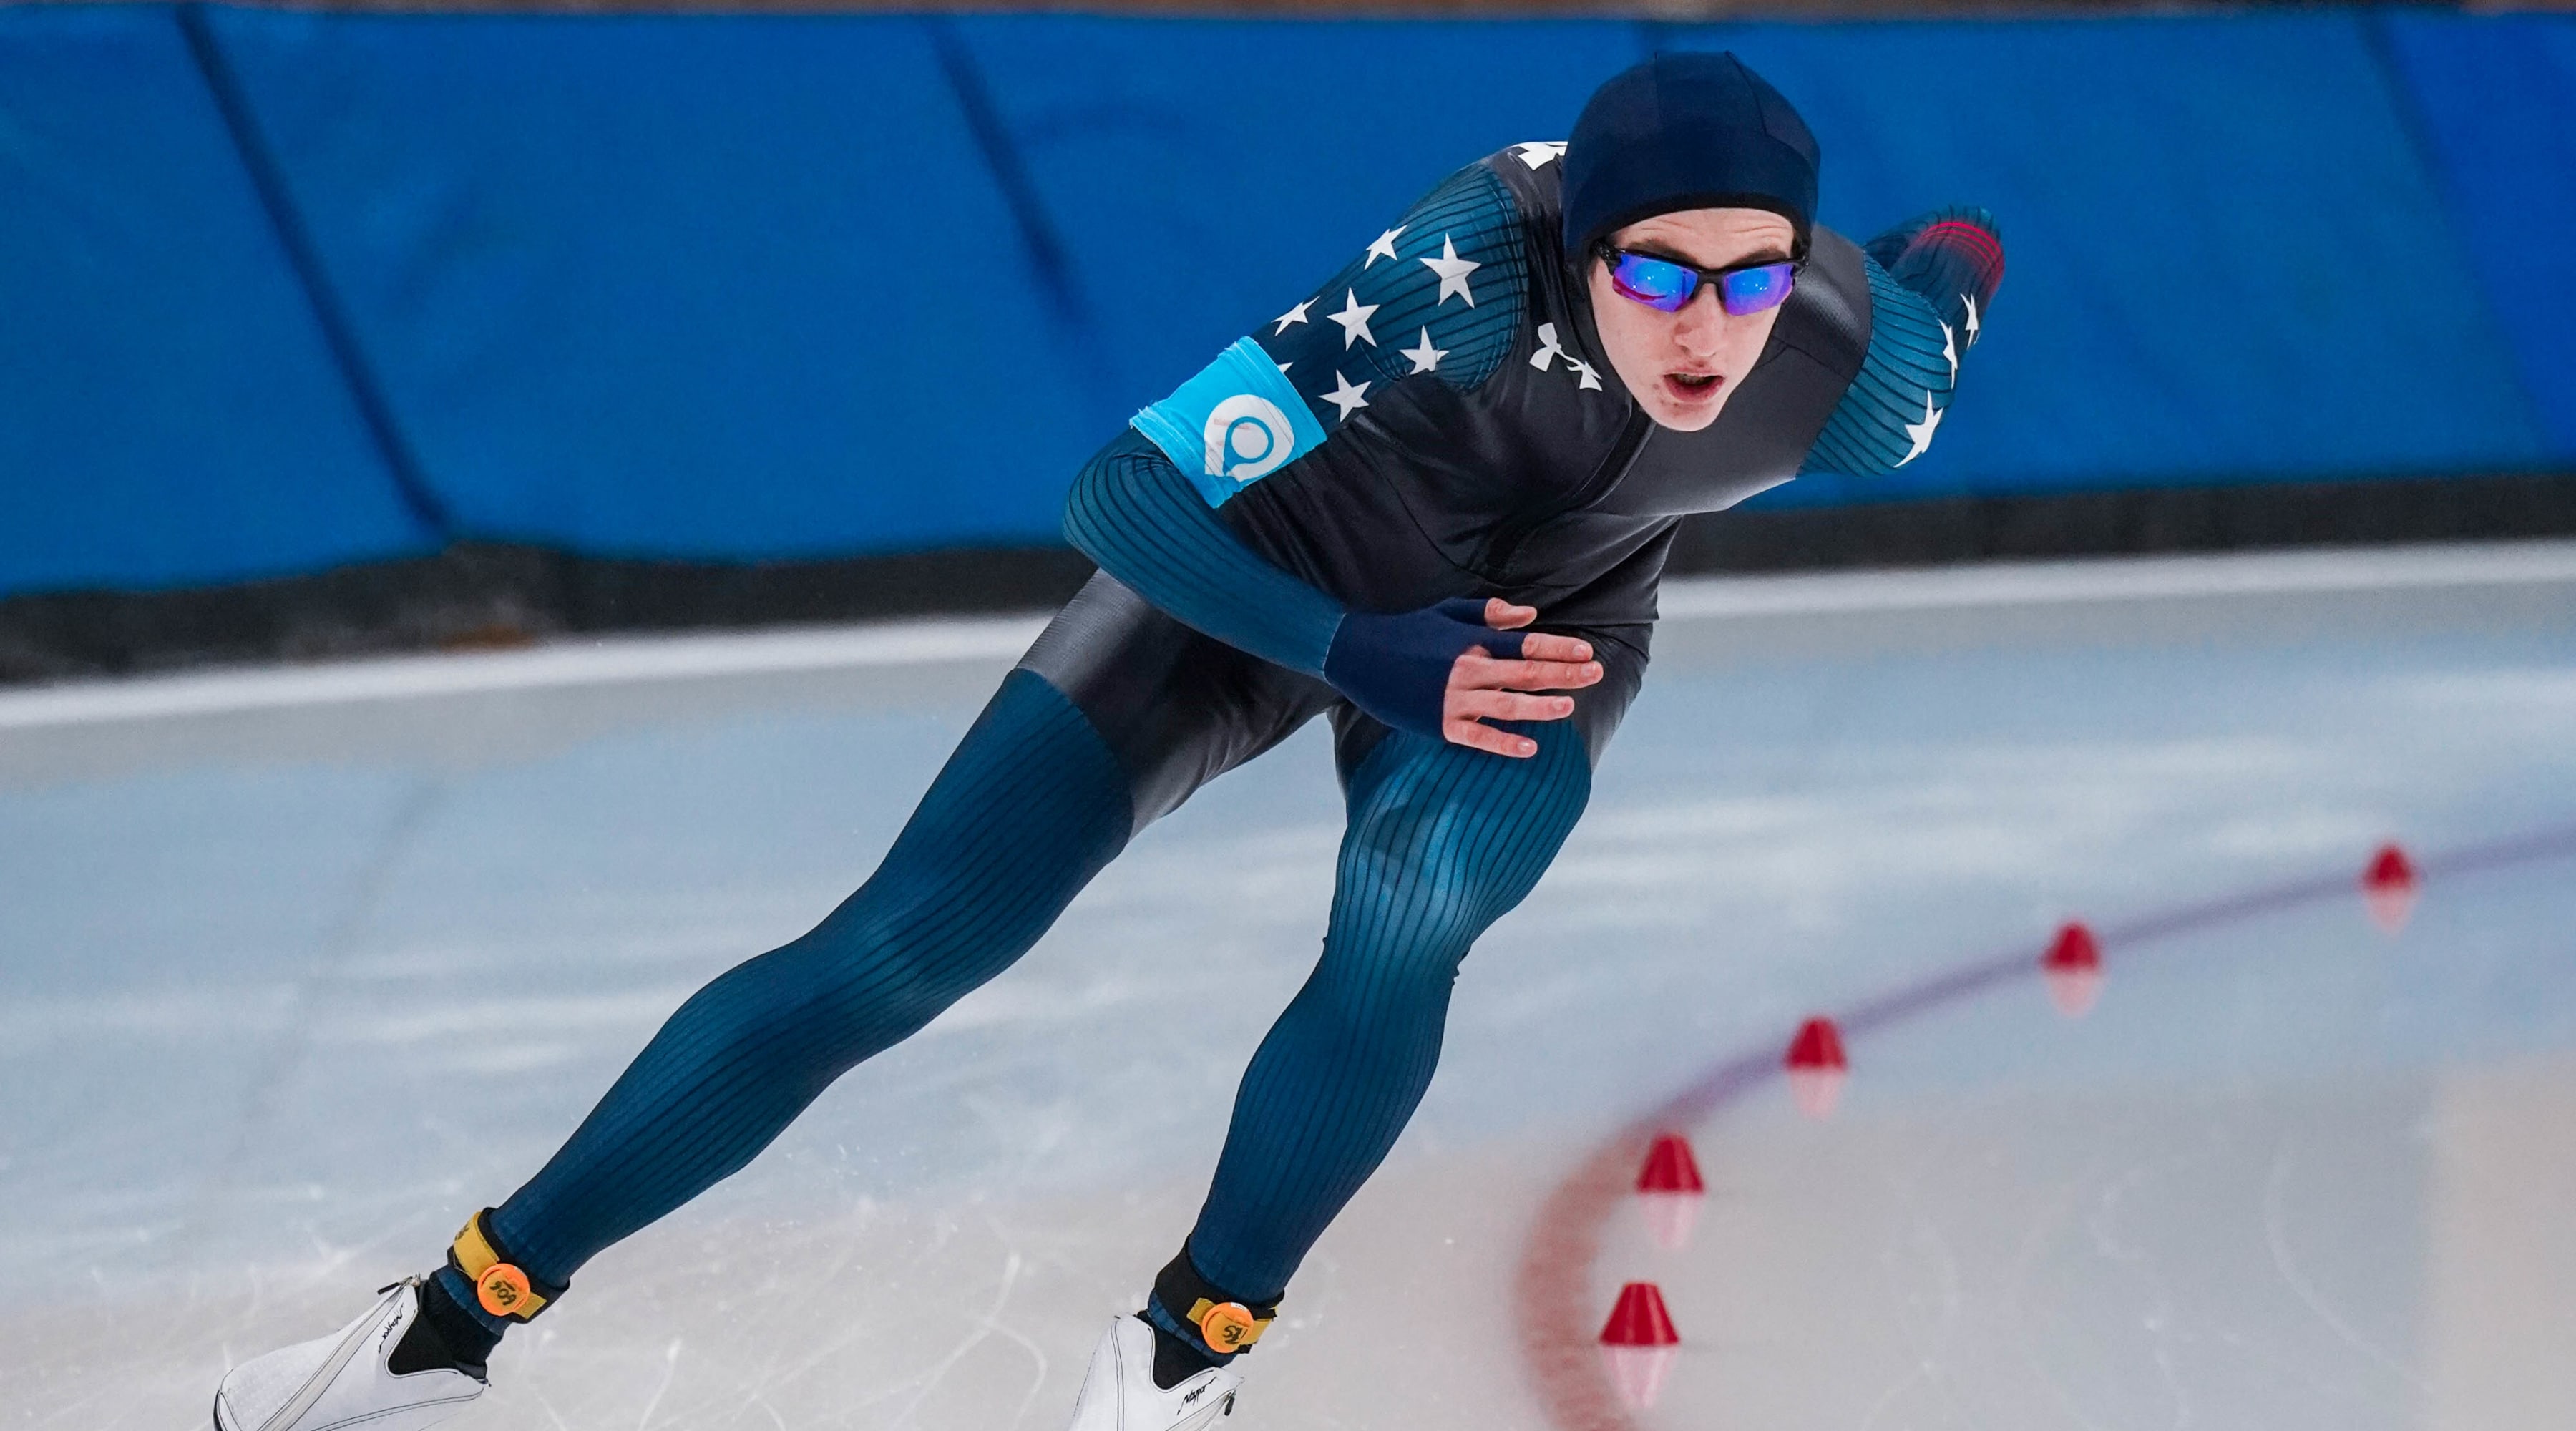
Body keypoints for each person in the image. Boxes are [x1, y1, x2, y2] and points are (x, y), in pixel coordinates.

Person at [210, 49, 2001, 1431]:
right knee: (899, 949)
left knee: (1410, 906)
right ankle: (450, 1323)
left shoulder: (1856, 377)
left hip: (1538, 638)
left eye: (1750, 282)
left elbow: (1947, 273)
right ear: (1576, 241)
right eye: (1660, 275)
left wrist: (1940, 265)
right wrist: (1349, 647)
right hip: (1263, 578)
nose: (1708, 329)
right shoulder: (1456, 276)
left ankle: (1183, 1353)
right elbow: (1125, 486)